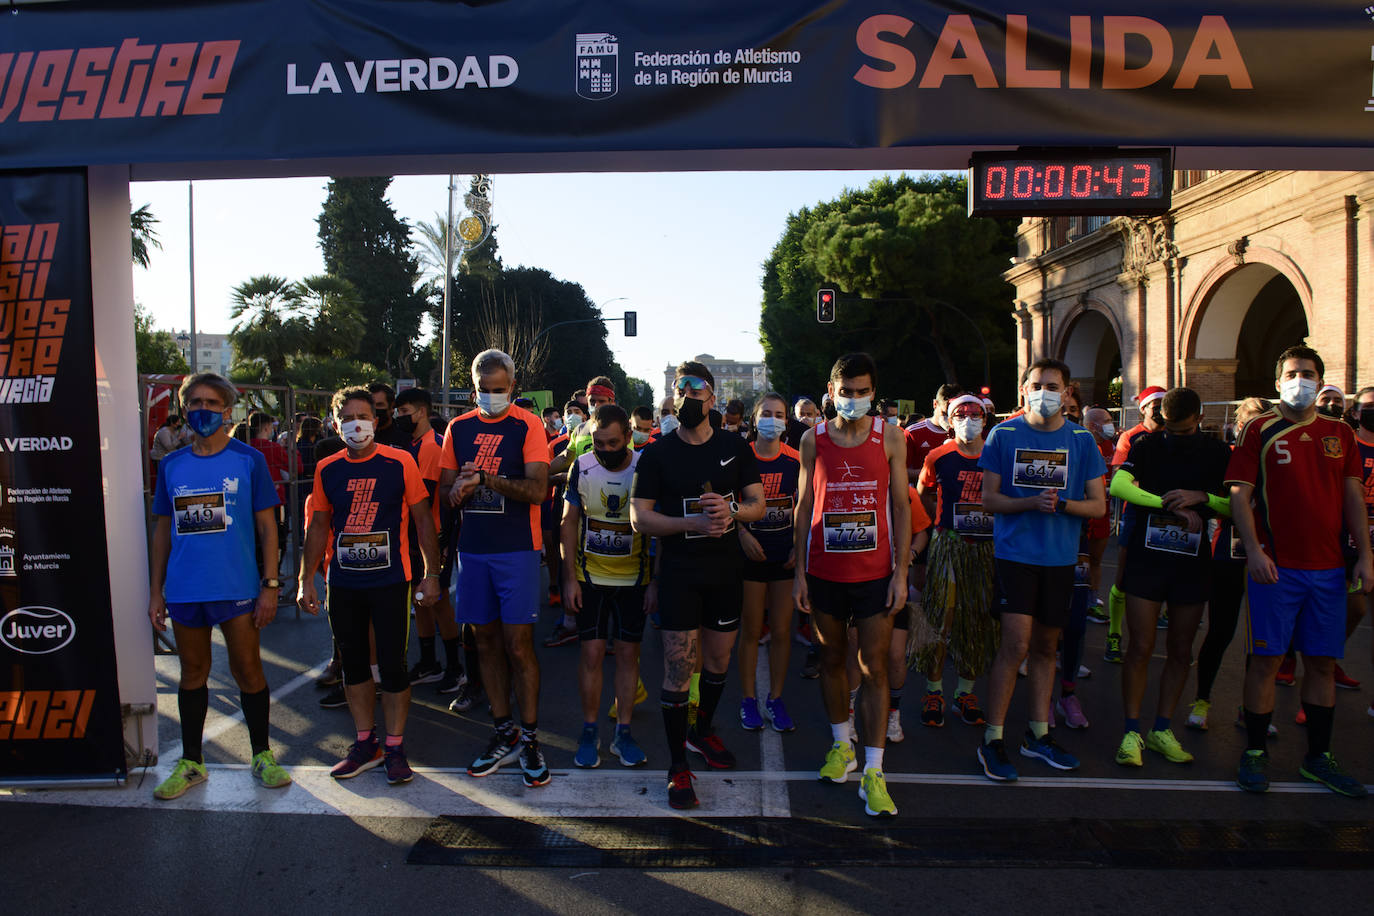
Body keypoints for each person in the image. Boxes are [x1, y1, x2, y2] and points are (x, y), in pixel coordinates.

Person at [1227, 346, 1373, 797]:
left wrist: (1365, 556)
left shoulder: (1340, 435)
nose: (1299, 380)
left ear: (1320, 379)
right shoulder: (1259, 429)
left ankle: (1318, 758)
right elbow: (1239, 494)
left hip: (1328, 570)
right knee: (1267, 662)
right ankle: (1254, 754)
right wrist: (1253, 550)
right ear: (1277, 382)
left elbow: (1353, 499)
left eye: (1307, 373)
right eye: (1291, 373)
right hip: (1276, 567)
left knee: (1323, 664)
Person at [630, 359, 765, 810]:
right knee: (676, 667)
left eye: (693, 387)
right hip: (681, 575)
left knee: (718, 659)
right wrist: (688, 521)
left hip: (725, 572)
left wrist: (734, 514)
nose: (684, 394)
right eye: (677, 386)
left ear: (712, 396)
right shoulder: (658, 452)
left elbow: (757, 503)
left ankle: (701, 730)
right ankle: (677, 768)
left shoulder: (734, 446)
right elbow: (639, 516)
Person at [148, 373, 290, 799]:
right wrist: (156, 591)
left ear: (228, 412)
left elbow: (269, 528)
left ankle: (262, 755)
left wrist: (269, 585)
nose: (203, 410)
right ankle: (192, 762)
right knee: (193, 672)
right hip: (187, 589)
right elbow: (161, 531)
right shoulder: (171, 465)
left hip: (238, 588)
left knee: (248, 671)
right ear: (185, 406)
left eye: (212, 403)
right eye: (195, 402)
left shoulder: (249, 460)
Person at [298, 387, 439, 785]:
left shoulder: (400, 462)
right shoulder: (327, 468)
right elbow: (319, 525)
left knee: (393, 666)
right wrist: (305, 579)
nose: (356, 424)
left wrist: (432, 573)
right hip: (344, 584)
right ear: (336, 422)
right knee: (355, 664)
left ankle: (395, 745)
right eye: (347, 417)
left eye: (364, 416)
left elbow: (424, 519)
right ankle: (366, 742)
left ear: (376, 422)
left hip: (391, 581)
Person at [975, 358, 1106, 782]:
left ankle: (1037, 734)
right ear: (1023, 389)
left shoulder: (1083, 441)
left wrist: (1063, 505)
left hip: (1060, 560)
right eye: (1037, 384)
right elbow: (989, 501)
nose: (1044, 392)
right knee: (1015, 646)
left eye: (1053, 386)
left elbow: (1099, 505)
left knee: (1048, 648)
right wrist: (1030, 503)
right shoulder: (1003, 433)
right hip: (1015, 557)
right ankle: (992, 739)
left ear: (1068, 393)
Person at [795, 353, 911, 817]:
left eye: (864, 392)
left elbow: (901, 506)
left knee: (875, 667)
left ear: (874, 392)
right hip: (824, 571)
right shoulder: (812, 439)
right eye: (848, 392)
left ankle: (875, 771)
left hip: (875, 573)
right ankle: (842, 746)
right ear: (831, 390)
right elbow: (805, 506)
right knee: (830, 660)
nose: (856, 400)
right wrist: (799, 571)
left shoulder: (891, 437)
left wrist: (901, 572)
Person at [442, 349, 553, 788]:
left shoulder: (527, 425)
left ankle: (530, 737)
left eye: (499, 389)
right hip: (474, 550)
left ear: (512, 386)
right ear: (474, 388)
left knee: (519, 646)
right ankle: (502, 730)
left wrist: (486, 478)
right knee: (484, 641)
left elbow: (539, 490)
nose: (491, 396)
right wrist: (459, 492)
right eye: (484, 390)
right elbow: (447, 491)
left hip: (518, 550)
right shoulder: (458, 427)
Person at [1108, 387, 1232, 767]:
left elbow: (1234, 503)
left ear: (1198, 419)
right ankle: (1132, 731)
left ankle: (1162, 729)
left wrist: (1201, 498)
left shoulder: (1218, 453)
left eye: (1180, 430)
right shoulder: (1146, 445)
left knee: (1181, 650)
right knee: (1140, 647)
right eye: (1167, 428)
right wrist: (1166, 503)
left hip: (1191, 563)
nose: (1172, 435)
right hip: (1148, 558)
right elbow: (1118, 486)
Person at [562, 403, 653, 768]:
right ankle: (588, 731)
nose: (605, 450)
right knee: (592, 655)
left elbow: (658, 526)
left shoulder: (645, 467)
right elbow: (568, 523)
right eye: (599, 443)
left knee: (629, 656)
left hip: (634, 579)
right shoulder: (581, 467)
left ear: (628, 437)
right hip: (591, 578)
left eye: (613, 443)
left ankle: (623, 733)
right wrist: (568, 578)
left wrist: (654, 581)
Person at [1186, 397, 1272, 732]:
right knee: (1220, 631)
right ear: (1239, 427)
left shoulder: (1280, 459)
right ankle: (1202, 700)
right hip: (1229, 552)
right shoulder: (1229, 458)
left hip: (1271, 553)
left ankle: (1250, 708)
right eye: (1250, 423)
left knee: (1262, 638)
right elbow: (1215, 502)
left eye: (1263, 423)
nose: (1257, 430)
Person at [913, 394, 999, 730]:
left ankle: (965, 692)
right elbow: (922, 492)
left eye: (974, 413)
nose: (967, 419)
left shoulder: (997, 454)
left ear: (984, 418)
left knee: (977, 621)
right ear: (949, 420)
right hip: (949, 545)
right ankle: (933, 691)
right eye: (959, 414)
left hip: (986, 550)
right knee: (941, 619)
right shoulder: (938, 456)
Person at [737, 393, 801, 733]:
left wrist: (798, 548)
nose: (772, 420)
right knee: (750, 631)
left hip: (783, 556)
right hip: (750, 555)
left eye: (779, 414)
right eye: (766, 413)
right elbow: (728, 501)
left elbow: (803, 507)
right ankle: (748, 699)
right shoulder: (740, 457)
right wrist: (742, 533)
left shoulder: (795, 460)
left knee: (780, 631)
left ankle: (775, 699)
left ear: (786, 422)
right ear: (754, 418)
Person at [393, 387, 464, 693]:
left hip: (433, 536)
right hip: (413, 537)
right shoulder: (412, 445)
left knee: (439, 601)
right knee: (419, 600)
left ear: (421, 411)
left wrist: (444, 541)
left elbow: (438, 499)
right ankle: (429, 662)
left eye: (404, 412)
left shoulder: (432, 447)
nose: (399, 418)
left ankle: (455, 667)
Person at [1104, 385, 1167, 662]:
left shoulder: (1176, 434)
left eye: (1166, 403)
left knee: (1166, 575)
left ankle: (1157, 628)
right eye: (1156, 404)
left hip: (1169, 517)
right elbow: (1120, 477)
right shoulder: (1131, 437)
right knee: (1124, 575)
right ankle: (1114, 636)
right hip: (1138, 514)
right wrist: (1158, 495)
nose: (1161, 408)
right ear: (1143, 408)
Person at [1081, 407, 1117, 621]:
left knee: (1096, 559)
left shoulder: (1111, 444)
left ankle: (1092, 600)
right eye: (1107, 420)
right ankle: (1077, 597)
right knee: (1078, 559)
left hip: (1102, 511)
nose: (1110, 424)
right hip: (1080, 511)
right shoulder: (1080, 442)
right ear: (1093, 425)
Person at [150, 413, 184, 480]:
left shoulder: (173, 431)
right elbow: (169, 446)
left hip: (167, 458)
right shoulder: (164, 432)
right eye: (178, 422)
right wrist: (179, 438)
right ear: (172, 423)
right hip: (159, 458)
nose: (179, 424)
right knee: (163, 478)